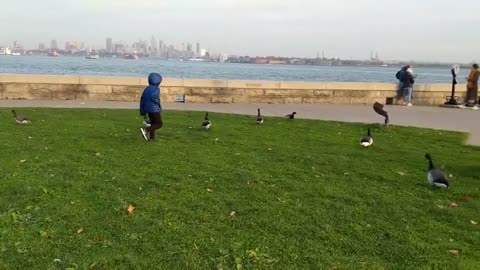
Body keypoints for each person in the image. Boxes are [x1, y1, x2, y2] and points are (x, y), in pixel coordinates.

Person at [139, 73, 163, 141]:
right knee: (159, 124)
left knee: (153, 123)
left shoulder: (146, 89)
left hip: (148, 109)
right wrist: (157, 101)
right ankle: (146, 130)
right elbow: (154, 97)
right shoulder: (156, 89)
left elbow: (142, 99)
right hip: (154, 109)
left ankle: (152, 138)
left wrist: (142, 111)